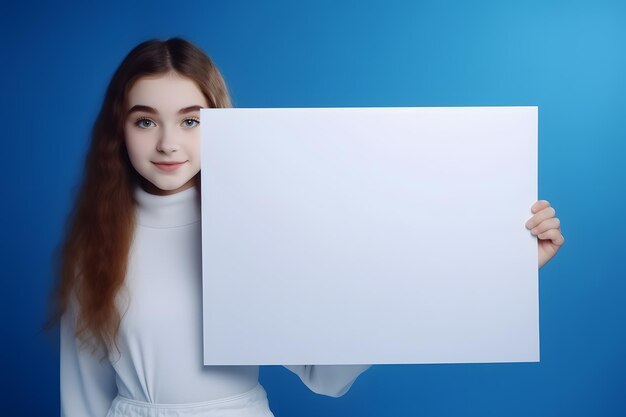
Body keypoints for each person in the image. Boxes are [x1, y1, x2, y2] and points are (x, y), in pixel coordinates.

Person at [50, 37, 564, 417]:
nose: (168, 144)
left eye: (191, 120)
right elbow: (84, 396)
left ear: (220, 122)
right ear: (118, 128)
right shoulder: (96, 245)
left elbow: (325, 375)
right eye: (146, 120)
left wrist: (506, 267)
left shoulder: (254, 226)